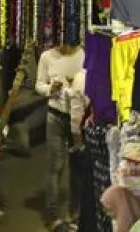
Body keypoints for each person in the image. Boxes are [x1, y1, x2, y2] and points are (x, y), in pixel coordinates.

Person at [36, 41, 85, 229]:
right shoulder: (47, 57)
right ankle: (53, 216)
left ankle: (75, 214)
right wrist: (50, 89)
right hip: (54, 115)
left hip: (77, 117)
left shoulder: (83, 55)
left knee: (77, 167)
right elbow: (39, 84)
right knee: (55, 167)